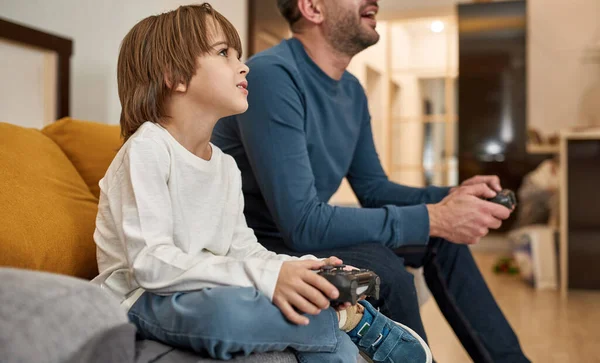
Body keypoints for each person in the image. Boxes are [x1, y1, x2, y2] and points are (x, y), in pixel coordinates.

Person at [91, 3, 431, 362]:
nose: (243, 65)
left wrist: (304, 268)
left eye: (238, 54)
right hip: (143, 298)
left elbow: (243, 249)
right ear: (174, 75)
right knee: (230, 313)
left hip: (205, 286)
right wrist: (267, 277)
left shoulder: (224, 165)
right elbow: (151, 264)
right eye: (224, 53)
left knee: (327, 334)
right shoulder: (147, 149)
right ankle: (349, 318)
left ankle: (341, 324)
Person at [212, 0, 530, 362]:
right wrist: (436, 216)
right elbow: (301, 223)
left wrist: (452, 198)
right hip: (260, 239)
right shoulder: (271, 75)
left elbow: (374, 189)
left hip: (299, 226)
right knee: (388, 270)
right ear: (312, 7)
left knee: (441, 238)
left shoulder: (351, 89)